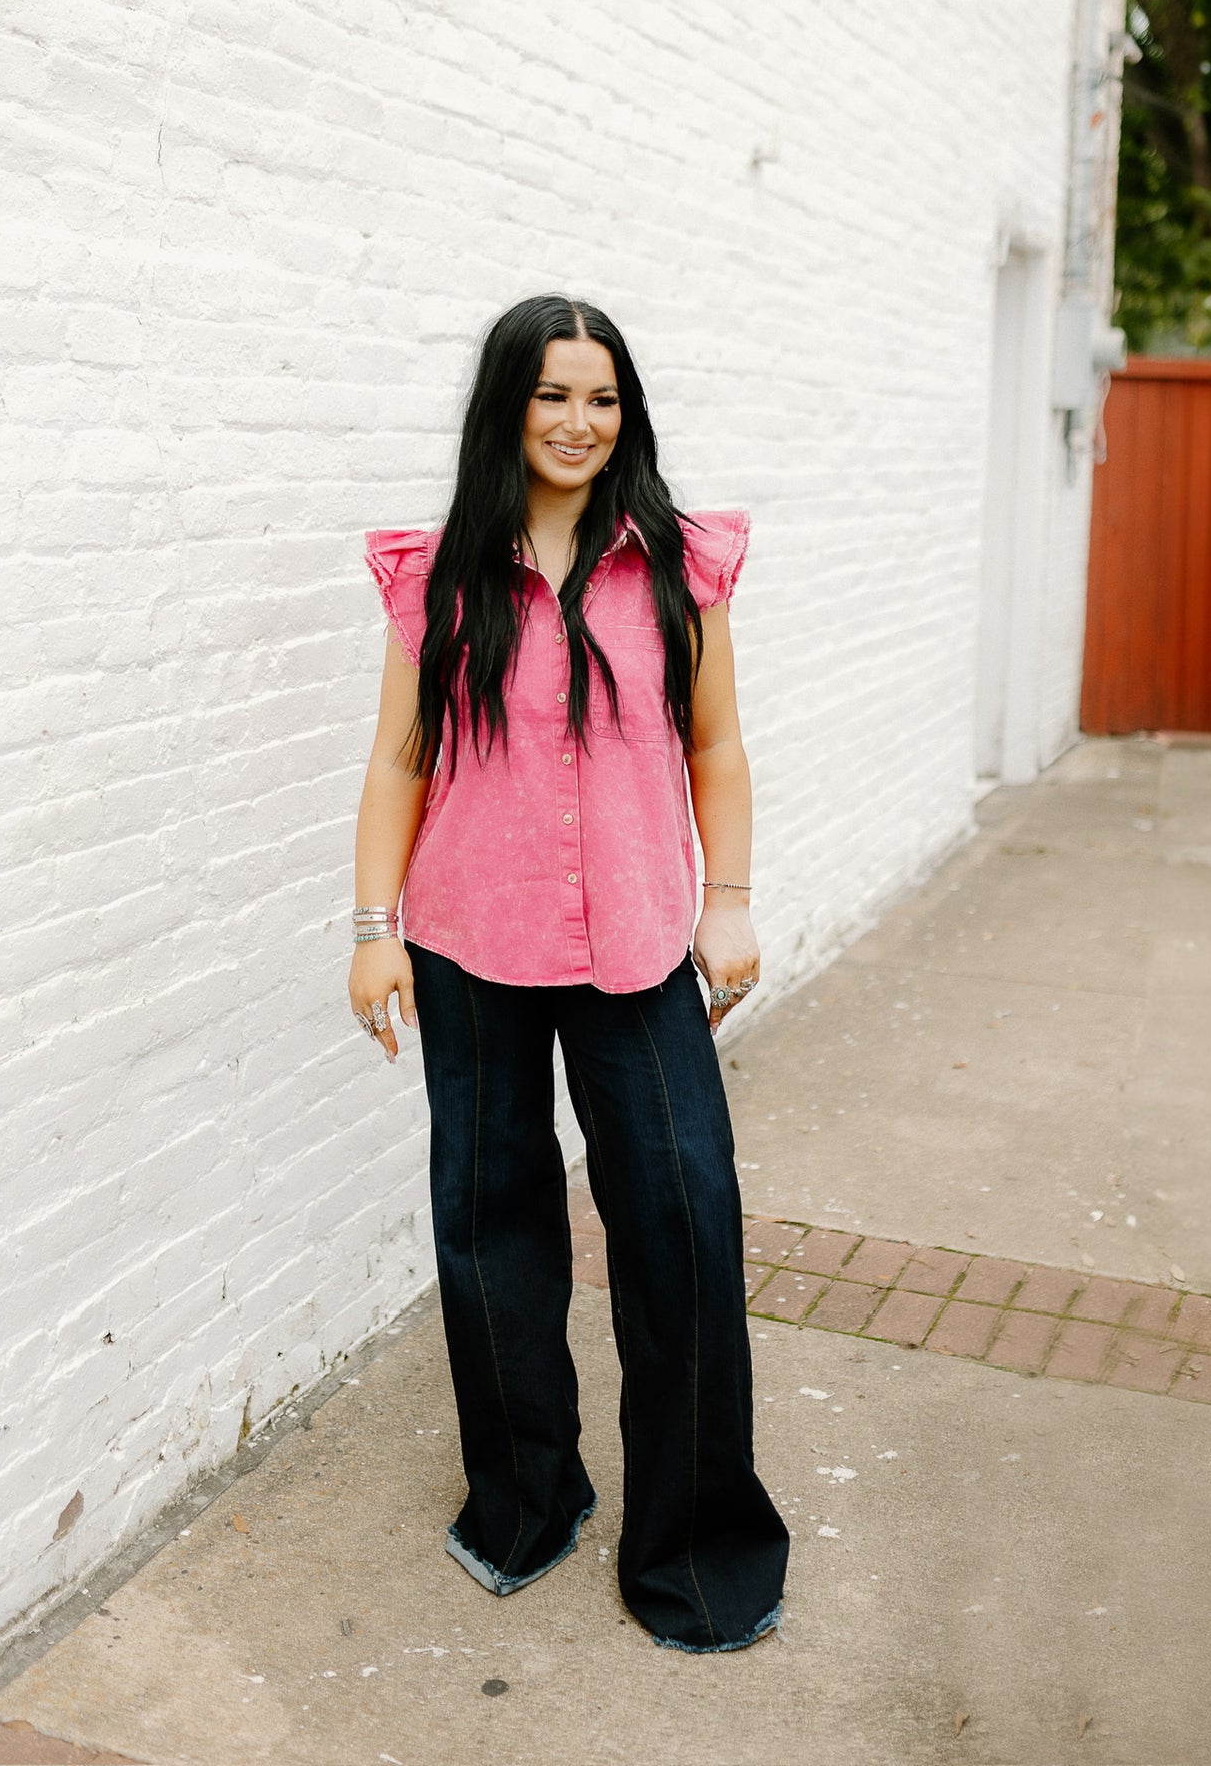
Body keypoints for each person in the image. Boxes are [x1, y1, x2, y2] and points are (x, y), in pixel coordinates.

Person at [348, 294, 788, 1652]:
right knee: (490, 1232)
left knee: (680, 1226)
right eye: (551, 395)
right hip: (472, 940)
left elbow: (712, 747)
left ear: (625, 411)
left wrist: (729, 902)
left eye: (600, 397)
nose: (578, 422)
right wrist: (372, 929)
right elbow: (401, 760)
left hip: (641, 946)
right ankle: (527, 1498)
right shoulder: (440, 576)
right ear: (507, 407)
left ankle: (699, 1550)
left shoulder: (672, 565)